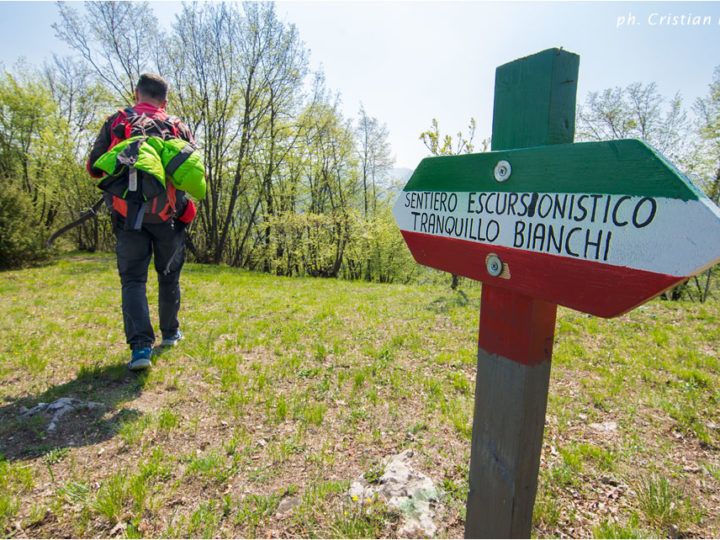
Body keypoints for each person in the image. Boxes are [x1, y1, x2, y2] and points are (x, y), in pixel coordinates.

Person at [87, 73, 197, 371]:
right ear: (164, 100)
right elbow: (189, 171)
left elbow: (94, 167)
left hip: (126, 215)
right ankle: (171, 333)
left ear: (137, 94)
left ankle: (140, 350)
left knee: (133, 280)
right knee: (168, 275)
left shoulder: (117, 122)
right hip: (168, 216)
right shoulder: (177, 126)